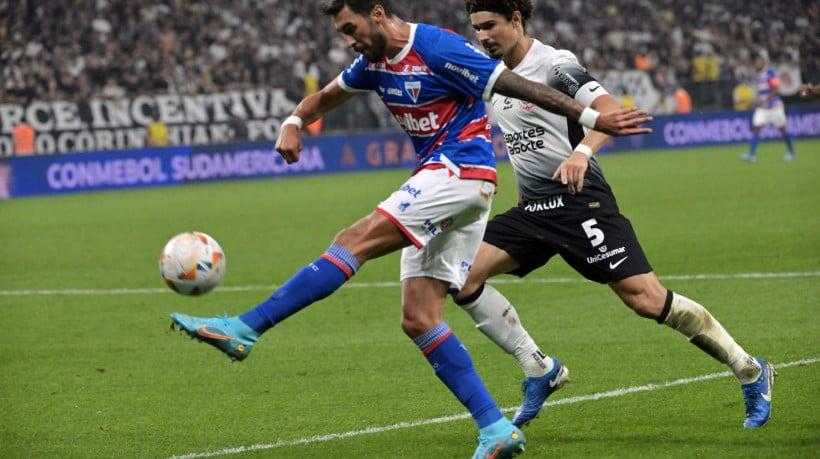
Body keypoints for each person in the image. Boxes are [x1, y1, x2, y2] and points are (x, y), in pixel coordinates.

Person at [168, 1, 651, 457]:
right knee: (419, 317)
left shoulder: (437, 47)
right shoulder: (373, 62)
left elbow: (516, 86)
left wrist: (591, 118)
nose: (349, 41)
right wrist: (294, 119)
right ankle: (494, 427)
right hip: (454, 182)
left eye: (351, 29)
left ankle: (243, 329)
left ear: (377, 14)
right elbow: (327, 96)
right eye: (342, 34)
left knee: (351, 241)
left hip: (459, 171)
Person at [453, 0, 775, 430]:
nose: (484, 36)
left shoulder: (554, 65)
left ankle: (750, 370)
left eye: (490, 26)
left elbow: (607, 110)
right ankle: (539, 369)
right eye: (477, 29)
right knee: (462, 277)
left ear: (516, 19)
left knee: (647, 300)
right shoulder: (495, 79)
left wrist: (582, 153)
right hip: (534, 211)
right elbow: (524, 144)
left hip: (580, 202)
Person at [740, 51, 795, 162]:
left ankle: (791, 152)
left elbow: (776, 90)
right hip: (763, 108)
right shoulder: (758, 76)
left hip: (775, 107)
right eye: (755, 62)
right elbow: (761, 93)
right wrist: (756, 101)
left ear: (763, 63)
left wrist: (765, 100)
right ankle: (751, 155)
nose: (756, 64)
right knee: (756, 128)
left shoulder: (770, 73)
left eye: (758, 62)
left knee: (783, 129)